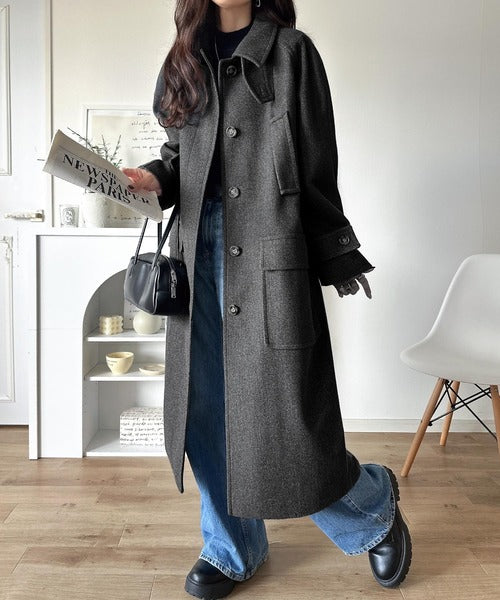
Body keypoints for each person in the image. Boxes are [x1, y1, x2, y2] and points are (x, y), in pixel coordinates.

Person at [123, 1, 412, 598]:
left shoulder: (292, 53)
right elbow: (179, 157)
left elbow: (317, 164)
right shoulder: (183, 58)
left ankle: (371, 508)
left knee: (288, 423)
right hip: (195, 252)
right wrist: (154, 177)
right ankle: (232, 546)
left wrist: (336, 252)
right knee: (205, 410)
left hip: (269, 252)